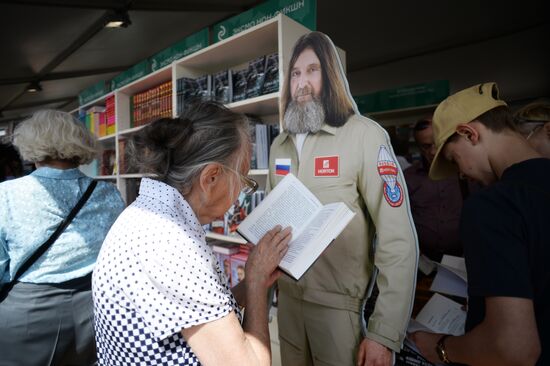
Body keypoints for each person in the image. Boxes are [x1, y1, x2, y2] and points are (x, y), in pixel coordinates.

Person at [92, 101, 292, 366]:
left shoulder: (149, 216)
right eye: (243, 179)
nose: (239, 193)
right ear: (211, 177)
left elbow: (199, 311)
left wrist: (252, 282)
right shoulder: (170, 244)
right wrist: (254, 282)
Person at [267, 31, 418, 366]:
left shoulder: (364, 135)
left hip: (338, 312)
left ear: (330, 76)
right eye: (295, 73)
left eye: (312, 70)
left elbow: (398, 240)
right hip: (288, 305)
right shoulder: (280, 146)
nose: (301, 83)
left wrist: (384, 333)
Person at [410, 82, 549, 365]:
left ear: (469, 133)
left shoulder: (492, 206)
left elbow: (513, 349)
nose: (461, 175)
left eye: (454, 159)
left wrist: (440, 348)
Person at [0, 109, 125, 365]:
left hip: (28, 316)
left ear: (30, 144)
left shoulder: (6, 194)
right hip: (97, 309)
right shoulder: (107, 193)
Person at [403, 117, 465, 261]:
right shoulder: (408, 177)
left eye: (437, 143)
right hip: (424, 260)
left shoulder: (464, 170)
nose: (432, 151)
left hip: (464, 256)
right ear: (418, 147)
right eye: (426, 146)